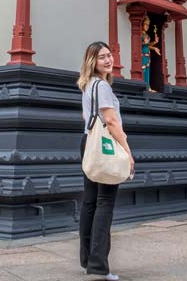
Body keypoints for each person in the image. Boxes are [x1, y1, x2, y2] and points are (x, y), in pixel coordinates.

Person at [78, 41, 133, 281]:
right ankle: (99, 265)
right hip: (106, 145)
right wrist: (128, 151)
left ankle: (88, 260)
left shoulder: (87, 85)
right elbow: (111, 121)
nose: (108, 60)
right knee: (105, 202)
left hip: (87, 143)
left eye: (109, 55)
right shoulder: (102, 86)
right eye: (102, 57)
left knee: (90, 202)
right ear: (93, 61)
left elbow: (87, 117)